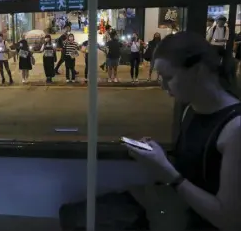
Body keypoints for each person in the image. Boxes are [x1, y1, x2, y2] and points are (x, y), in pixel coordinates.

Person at [60, 31, 241, 231]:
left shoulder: (234, 129)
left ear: (197, 71)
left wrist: (168, 173)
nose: (162, 85)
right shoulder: (191, 109)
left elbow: (229, 220)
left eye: (168, 77)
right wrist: (159, 157)